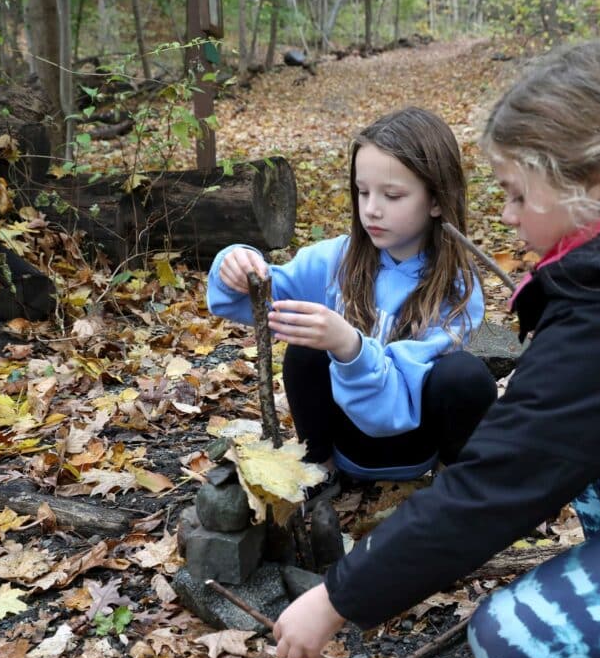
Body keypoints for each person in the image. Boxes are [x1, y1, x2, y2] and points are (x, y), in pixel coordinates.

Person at [271, 39, 600, 658]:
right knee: (577, 453)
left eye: (516, 194)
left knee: (516, 640)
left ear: (591, 182)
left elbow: (493, 485)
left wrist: (337, 598)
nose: (503, 216)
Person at [207, 107, 497, 508]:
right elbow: (256, 302)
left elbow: (390, 412)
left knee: (465, 376)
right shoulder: (332, 261)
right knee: (306, 345)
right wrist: (237, 265)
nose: (372, 209)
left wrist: (349, 347)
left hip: (413, 445)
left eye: (392, 195)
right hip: (342, 444)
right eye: (363, 192)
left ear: (436, 199)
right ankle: (319, 474)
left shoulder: (456, 290)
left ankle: (454, 489)